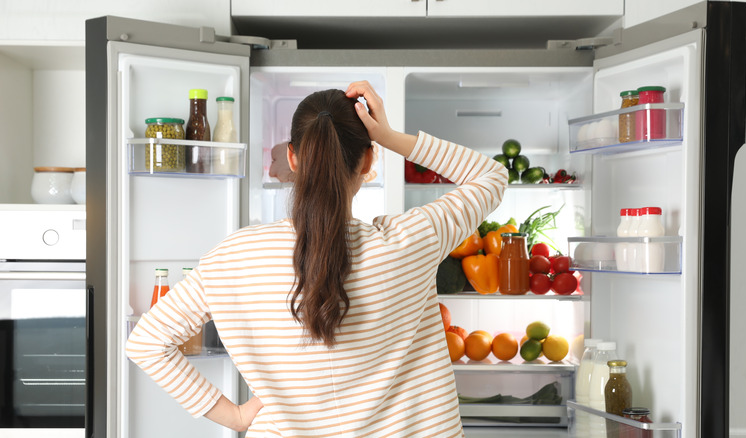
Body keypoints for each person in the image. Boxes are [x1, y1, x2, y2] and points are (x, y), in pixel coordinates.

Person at [126, 81, 507, 436]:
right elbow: (490, 176)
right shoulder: (412, 241)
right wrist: (387, 134)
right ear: (367, 162)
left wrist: (236, 416)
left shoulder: (233, 257)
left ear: (292, 157)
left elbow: (146, 342)